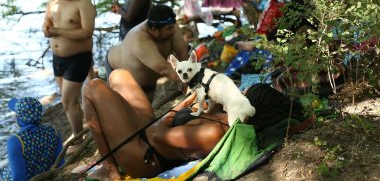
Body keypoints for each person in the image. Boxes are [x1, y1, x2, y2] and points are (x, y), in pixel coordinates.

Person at [82, 69, 305, 180]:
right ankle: (110, 159)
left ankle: (111, 169)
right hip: (151, 132)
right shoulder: (223, 116)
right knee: (119, 74)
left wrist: (183, 104)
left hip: (145, 155)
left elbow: (157, 136)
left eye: (241, 93)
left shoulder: (215, 131)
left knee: (93, 87)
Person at [42, 0, 96, 147]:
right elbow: (47, 21)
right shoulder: (53, 2)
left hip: (79, 58)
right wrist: (46, 29)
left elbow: (87, 32)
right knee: (69, 102)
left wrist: (58, 31)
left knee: (67, 100)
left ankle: (77, 138)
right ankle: (80, 132)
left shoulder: (83, 2)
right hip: (58, 59)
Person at [105, 4, 189, 101]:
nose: (174, 31)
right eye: (169, 29)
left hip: (147, 80)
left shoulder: (170, 25)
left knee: (147, 113)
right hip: (116, 68)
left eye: (173, 27)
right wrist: (192, 81)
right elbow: (165, 68)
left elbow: (183, 54)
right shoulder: (139, 39)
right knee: (120, 109)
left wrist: (189, 80)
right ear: (154, 29)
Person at [0, 97, 64, 181]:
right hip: (46, 175)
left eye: (16, 114)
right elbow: (60, 163)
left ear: (19, 118)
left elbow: (18, 178)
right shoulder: (53, 131)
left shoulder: (15, 141)